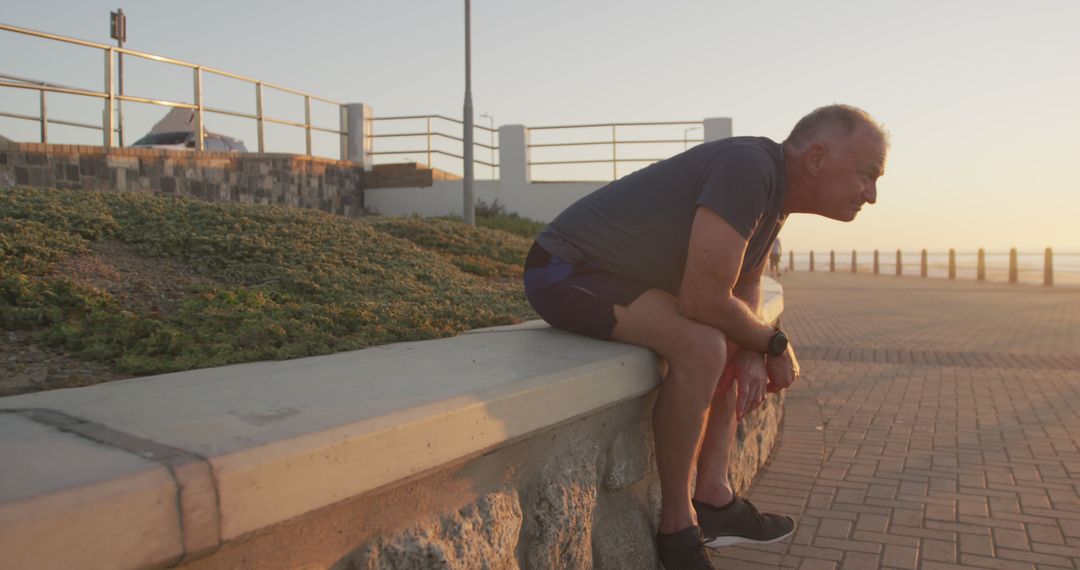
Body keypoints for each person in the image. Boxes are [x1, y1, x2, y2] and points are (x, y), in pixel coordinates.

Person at [523, 104, 888, 569]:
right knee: (704, 345)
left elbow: (745, 287)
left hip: (618, 278)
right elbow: (702, 300)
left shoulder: (774, 195)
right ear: (816, 158)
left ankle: (714, 498)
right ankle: (678, 527)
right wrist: (773, 342)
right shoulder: (749, 168)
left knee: (730, 341)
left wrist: (754, 345)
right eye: (868, 175)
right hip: (563, 269)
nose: (872, 194)